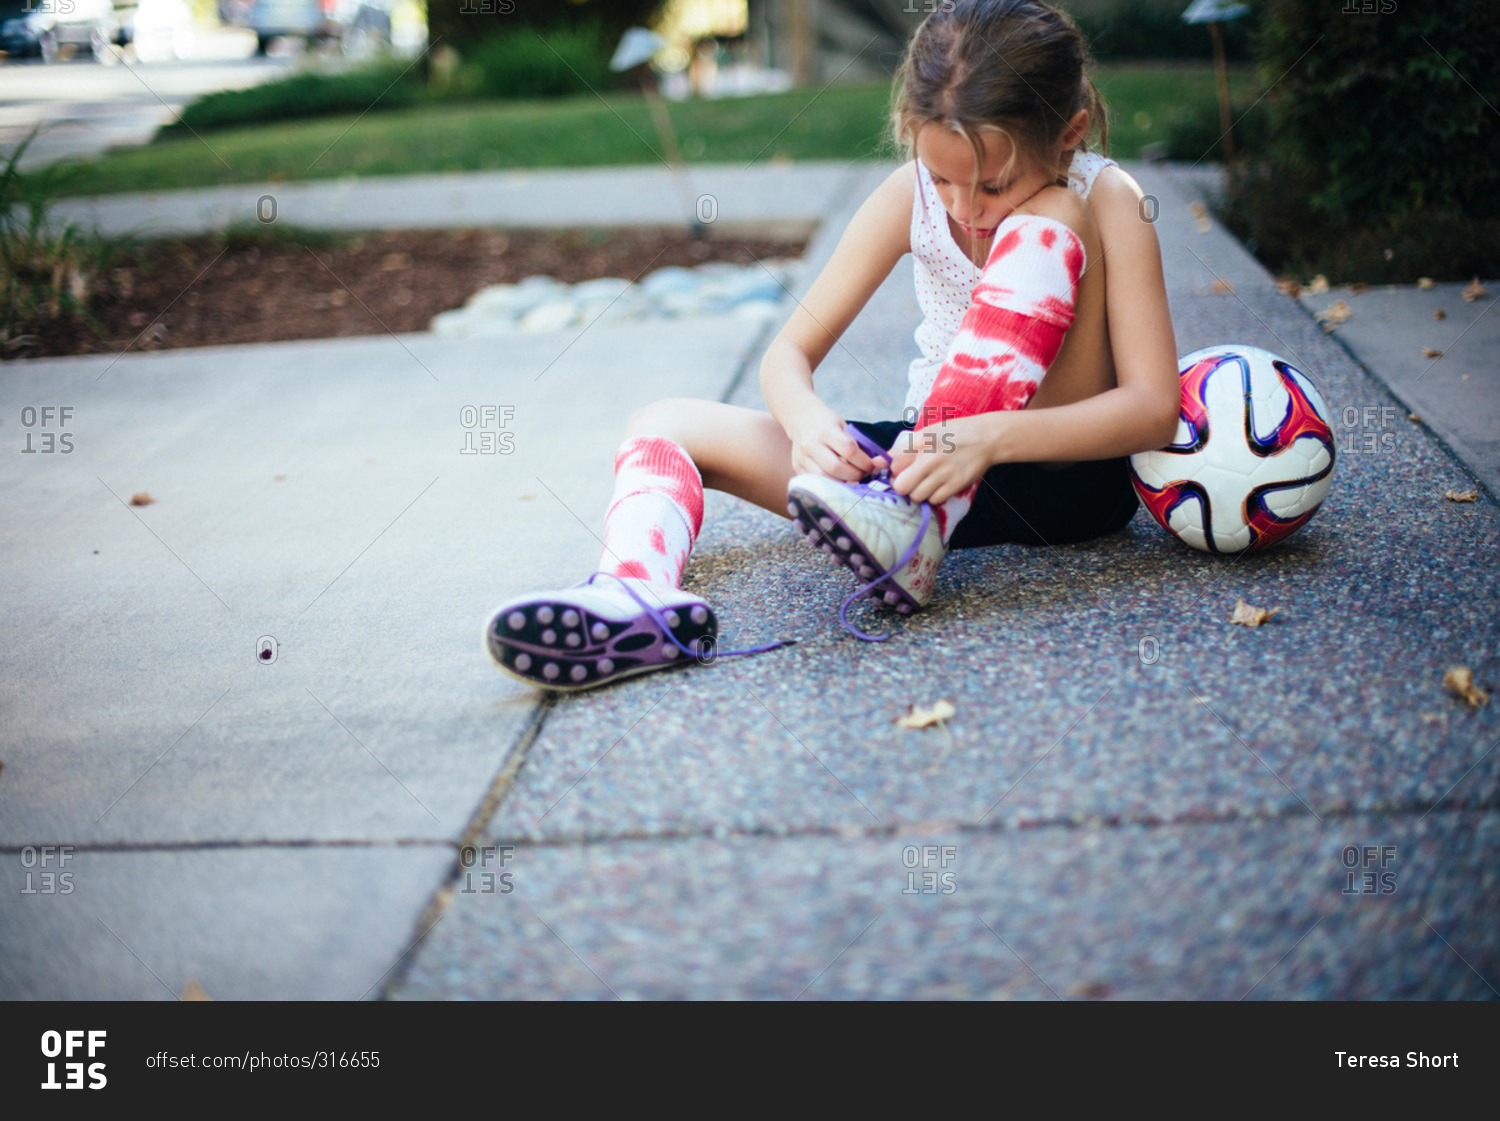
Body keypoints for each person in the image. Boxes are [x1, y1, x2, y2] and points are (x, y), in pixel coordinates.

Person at [484, 0, 1181, 690]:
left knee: (1051, 213)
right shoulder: (907, 197)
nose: (965, 211)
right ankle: (634, 601)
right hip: (916, 470)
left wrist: (985, 439)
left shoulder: (1105, 195)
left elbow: (1152, 408)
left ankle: (917, 526)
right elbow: (786, 355)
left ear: (1070, 133)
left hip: (1062, 477)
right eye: (942, 179)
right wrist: (810, 425)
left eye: (993, 185)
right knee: (661, 424)